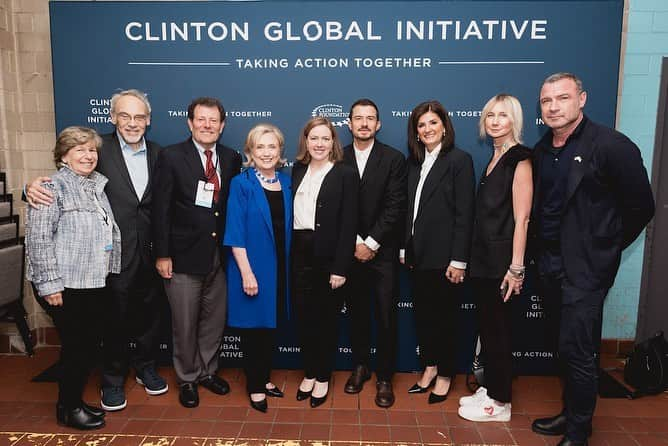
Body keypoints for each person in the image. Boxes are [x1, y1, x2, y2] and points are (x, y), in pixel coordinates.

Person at [529, 73, 654, 446]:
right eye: (546, 100)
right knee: (563, 347)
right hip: (549, 265)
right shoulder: (542, 150)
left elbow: (641, 206)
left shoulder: (611, 146)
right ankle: (570, 413)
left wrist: (605, 248)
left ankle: (580, 432)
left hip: (585, 270)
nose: (553, 106)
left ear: (581, 99)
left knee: (580, 352)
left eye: (562, 98)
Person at [25, 89, 167, 411]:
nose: (132, 123)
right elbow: (62, 179)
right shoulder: (96, 149)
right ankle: (113, 380)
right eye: (125, 116)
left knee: (150, 315)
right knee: (114, 320)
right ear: (113, 117)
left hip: (151, 250)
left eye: (139, 117)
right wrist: (29, 188)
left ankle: (145, 367)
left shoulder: (160, 153)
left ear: (148, 120)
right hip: (110, 257)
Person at [25, 126, 121, 430]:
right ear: (63, 156)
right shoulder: (51, 188)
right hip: (64, 284)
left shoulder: (93, 186)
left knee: (85, 346)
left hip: (90, 281)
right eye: (79, 149)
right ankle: (67, 408)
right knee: (78, 347)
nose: (88, 155)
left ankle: (74, 402)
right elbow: (38, 240)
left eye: (92, 150)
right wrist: (50, 284)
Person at [152, 97, 242, 408]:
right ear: (190, 123)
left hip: (219, 256)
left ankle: (207, 372)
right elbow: (160, 209)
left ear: (222, 125)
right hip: (182, 256)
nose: (207, 125)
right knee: (185, 323)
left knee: (213, 321)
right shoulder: (171, 156)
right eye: (201, 120)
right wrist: (162, 255)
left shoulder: (231, 158)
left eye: (213, 120)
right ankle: (188, 378)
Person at [457, 94, 532, 422]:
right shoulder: (493, 158)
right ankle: (491, 389)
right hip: (484, 261)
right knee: (488, 329)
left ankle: (500, 403)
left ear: (514, 120)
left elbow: (523, 218)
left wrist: (516, 268)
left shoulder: (520, 158)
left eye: (503, 115)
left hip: (503, 264)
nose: (495, 121)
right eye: (490, 115)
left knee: (499, 333)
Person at [402, 100, 475, 404]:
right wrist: (406, 247)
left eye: (433, 123)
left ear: (444, 126)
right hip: (419, 257)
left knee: (445, 320)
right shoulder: (415, 163)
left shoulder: (459, 160)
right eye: (421, 125)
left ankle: (445, 374)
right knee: (424, 318)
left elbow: (464, 213)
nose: (427, 129)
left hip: (446, 259)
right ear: (416, 133)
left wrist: (458, 260)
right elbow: (411, 211)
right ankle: (430, 367)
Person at [341, 98, 407, 408]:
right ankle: (360, 366)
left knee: (385, 317)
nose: (365, 123)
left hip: (382, 253)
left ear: (378, 124)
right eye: (359, 118)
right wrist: (355, 242)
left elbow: (395, 206)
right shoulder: (336, 157)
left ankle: (384, 377)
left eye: (370, 118)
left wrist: (371, 243)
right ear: (349, 123)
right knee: (356, 314)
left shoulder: (394, 159)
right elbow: (336, 206)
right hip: (349, 250)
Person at [223, 124, 292, 413]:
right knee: (254, 330)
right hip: (252, 267)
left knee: (270, 326)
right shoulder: (242, 184)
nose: (266, 152)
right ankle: (254, 386)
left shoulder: (288, 182)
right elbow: (235, 232)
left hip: (282, 267)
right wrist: (246, 273)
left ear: (280, 151)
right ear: (250, 152)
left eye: (271, 147)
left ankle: (263, 379)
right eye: (260, 147)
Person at [292, 116, 358, 408]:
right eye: (314, 138)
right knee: (305, 317)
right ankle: (308, 372)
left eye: (325, 138)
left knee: (326, 321)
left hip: (329, 257)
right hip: (299, 254)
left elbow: (349, 223)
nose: (319, 144)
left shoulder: (345, 173)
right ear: (306, 141)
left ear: (333, 142)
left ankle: (322, 377)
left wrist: (340, 268)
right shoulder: (297, 170)